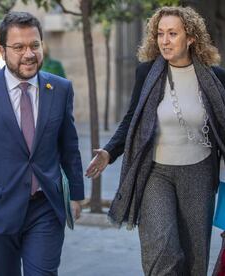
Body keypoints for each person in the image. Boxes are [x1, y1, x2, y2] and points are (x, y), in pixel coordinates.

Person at [86, 6, 225, 275]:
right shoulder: (147, 73)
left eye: (173, 33)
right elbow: (131, 120)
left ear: (191, 37)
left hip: (199, 172)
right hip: (155, 172)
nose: (164, 40)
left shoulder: (215, 78)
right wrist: (108, 152)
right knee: (161, 249)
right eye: (160, 33)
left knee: (195, 258)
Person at [0, 11, 84, 276]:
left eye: (34, 45)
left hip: (45, 207)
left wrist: (76, 195)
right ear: (1, 49)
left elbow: (69, 146)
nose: (29, 54)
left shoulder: (59, 89)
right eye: (19, 47)